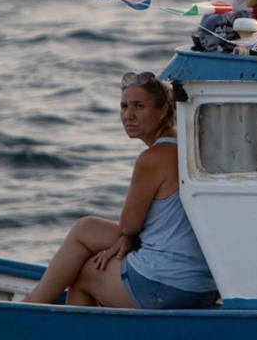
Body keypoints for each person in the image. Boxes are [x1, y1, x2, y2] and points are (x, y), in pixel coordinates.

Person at [22, 73, 219, 310]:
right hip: (207, 284)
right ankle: (35, 305)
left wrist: (127, 235)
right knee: (87, 230)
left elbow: (129, 226)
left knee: (85, 273)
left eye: (139, 106)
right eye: (124, 107)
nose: (128, 115)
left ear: (163, 110)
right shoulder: (187, 145)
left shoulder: (153, 158)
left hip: (168, 283)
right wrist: (127, 237)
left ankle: (31, 310)